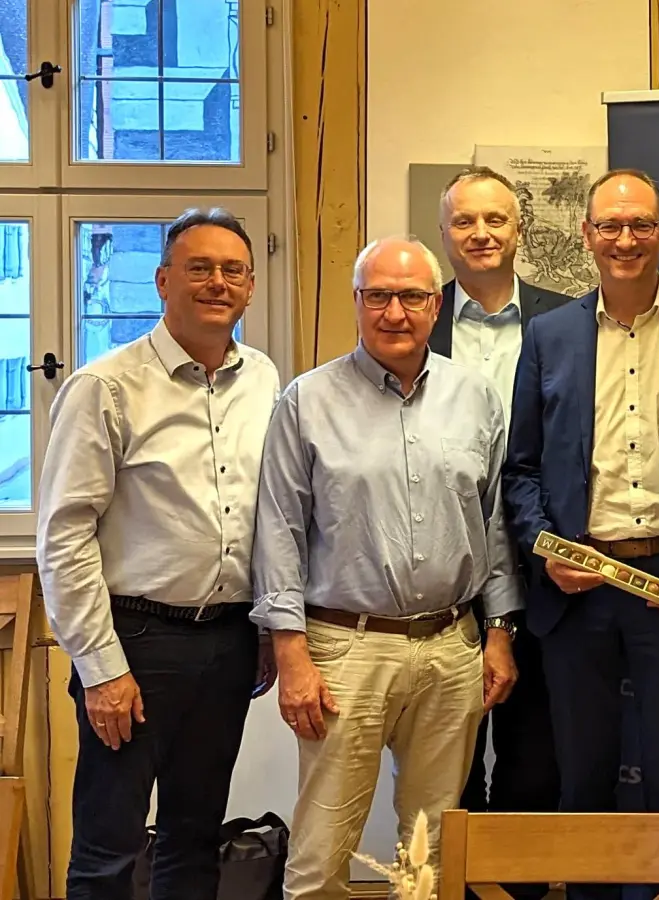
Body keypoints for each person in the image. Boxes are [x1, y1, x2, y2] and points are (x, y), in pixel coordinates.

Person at [502, 169, 659, 900]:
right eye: (610, 226)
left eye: (640, 224)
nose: (625, 239)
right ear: (586, 236)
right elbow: (519, 471)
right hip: (575, 598)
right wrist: (548, 553)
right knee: (581, 776)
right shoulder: (548, 335)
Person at [252, 236, 520, 900]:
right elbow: (278, 533)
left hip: (452, 649)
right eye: (378, 296)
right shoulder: (306, 401)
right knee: (320, 856)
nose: (394, 312)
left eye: (410, 297)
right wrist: (291, 654)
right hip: (346, 650)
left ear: (436, 306)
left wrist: (499, 633)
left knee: (429, 855)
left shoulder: (476, 398)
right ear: (357, 302)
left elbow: (493, 527)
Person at [36, 208, 279, 900]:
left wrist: (265, 630)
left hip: (228, 639)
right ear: (163, 280)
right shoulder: (105, 387)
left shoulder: (264, 380)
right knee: (109, 846)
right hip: (134, 640)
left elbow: (273, 515)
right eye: (199, 268)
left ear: (251, 287)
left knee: (194, 838)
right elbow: (64, 534)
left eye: (232, 270)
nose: (217, 282)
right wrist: (101, 668)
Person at [432, 166, 570, 897]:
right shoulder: (411, 321)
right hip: (445, 583)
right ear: (444, 234)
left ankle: (516, 890)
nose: (481, 234)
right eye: (464, 222)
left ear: (521, 230)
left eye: (495, 220)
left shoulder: (570, 321)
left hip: (547, 579)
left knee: (533, 763)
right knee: (445, 771)